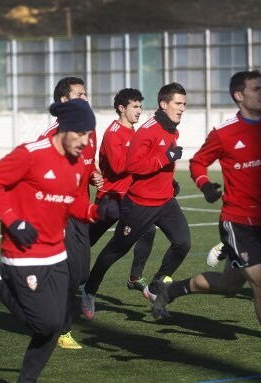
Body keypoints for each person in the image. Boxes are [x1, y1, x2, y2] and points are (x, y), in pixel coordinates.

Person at [152, 70, 261, 377]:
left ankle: (172, 290)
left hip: (260, 223)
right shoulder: (224, 132)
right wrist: (204, 185)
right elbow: (199, 162)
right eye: (256, 89)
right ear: (239, 95)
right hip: (235, 223)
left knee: (229, 286)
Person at [0, 99, 119, 383]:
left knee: (56, 325)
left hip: (56, 255)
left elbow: (70, 203)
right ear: (66, 129)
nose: (87, 142)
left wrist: (96, 211)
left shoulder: (74, 164)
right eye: (82, 134)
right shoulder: (30, 154)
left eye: (89, 135)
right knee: (44, 322)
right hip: (22, 254)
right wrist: (13, 221)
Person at [81, 82, 190, 319]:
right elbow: (129, 166)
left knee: (182, 242)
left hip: (161, 200)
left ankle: (148, 284)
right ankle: (86, 287)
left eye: (184, 104)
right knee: (106, 247)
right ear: (164, 104)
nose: (182, 108)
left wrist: (169, 182)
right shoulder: (134, 132)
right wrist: (164, 159)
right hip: (117, 199)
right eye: (178, 103)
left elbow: (157, 161)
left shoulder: (170, 129)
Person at [37, 76, 103, 349]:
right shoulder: (50, 136)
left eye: (86, 94)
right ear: (64, 101)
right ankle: (62, 330)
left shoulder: (89, 130)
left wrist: (94, 176)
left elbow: (87, 165)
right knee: (66, 273)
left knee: (80, 273)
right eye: (79, 95)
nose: (85, 99)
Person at [88, 88, 157, 292]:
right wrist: (143, 159)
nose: (139, 111)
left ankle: (135, 277)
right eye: (134, 107)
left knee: (149, 229)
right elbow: (118, 167)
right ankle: (61, 270)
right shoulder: (113, 133)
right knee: (86, 241)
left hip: (129, 197)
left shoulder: (133, 131)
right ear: (121, 108)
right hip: (110, 198)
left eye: (140, 107)